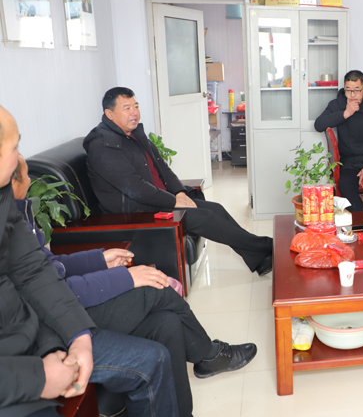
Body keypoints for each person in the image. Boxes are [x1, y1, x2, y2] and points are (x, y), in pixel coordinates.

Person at [12, 155, 257, 417]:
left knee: (168, 324)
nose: (30, 182)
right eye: (26, 176)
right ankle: (207, 355)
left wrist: (99, 259)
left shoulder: (16, 213)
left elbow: (51, 266)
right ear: (9, 180)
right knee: (155, 288)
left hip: (65, 307)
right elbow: (53, 292)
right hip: (56, 321)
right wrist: (127, 278)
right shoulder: (9, 225)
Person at [0, 105, 178, 417]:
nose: (17, 158)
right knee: (157, 292)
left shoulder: (4, 201)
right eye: (14, 148)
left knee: (162, 334)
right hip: (16, 373)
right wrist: (35, 378)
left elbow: (33, 270)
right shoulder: (101, 145)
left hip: (38, 332)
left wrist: (78, 336)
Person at [83, 87, 273, 276]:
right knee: (206, 218)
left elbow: (162, 167)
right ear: (109, 114)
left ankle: (260, 259)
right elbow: (136, 189)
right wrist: (174, 201)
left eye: (136, 106)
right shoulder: (103, 145)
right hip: (136, 212)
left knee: (216, 209)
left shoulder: (132, 135)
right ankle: (268, 246)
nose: (134, 112)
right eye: (127, 108)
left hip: (154, 201)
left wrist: (179, 192)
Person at [314, 70, 363, 223]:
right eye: (348, 90)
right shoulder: (337, 104)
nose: (352, 95)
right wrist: (345, 113)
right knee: (345, 184)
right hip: (350, 162)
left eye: (356, 90)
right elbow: (318, 125)